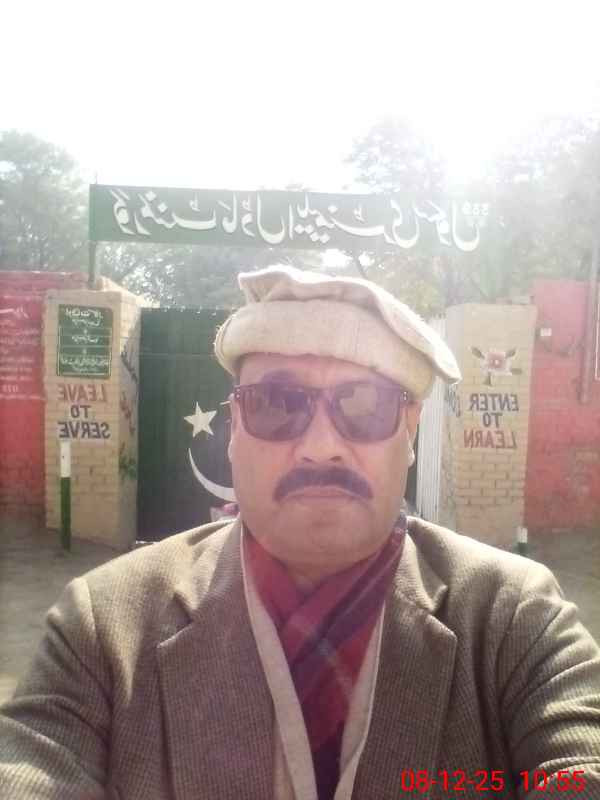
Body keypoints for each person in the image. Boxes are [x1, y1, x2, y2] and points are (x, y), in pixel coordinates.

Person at [1, 266, 599, 799]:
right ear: (235, 427)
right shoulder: (103, 628)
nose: (321, 447)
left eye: (363, 406)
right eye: (277, 403)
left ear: (410, 430)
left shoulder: (514, 620)